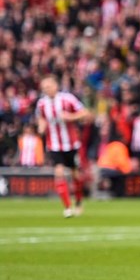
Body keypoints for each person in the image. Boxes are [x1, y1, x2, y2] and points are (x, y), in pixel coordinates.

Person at [36, 76, 90, 217]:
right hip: (54, 145)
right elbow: (41, 118)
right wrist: (41, 127)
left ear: (55, 86)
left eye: (48, 87)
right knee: (59, 172)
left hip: (71, 144)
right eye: (44, 88)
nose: (46, 90)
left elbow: (85, 113)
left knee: (75, 175)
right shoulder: (42, 104)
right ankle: (67, 207)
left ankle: (78, 201)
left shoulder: (68, 99)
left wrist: (70, 117)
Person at [97, 133, 133, 197]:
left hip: (102, 167)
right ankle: (119, 194)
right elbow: (121, 161)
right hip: (112, 168)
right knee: (120, 178)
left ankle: (112, 192)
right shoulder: (121, 146)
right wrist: (128, 171)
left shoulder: (111, 145)